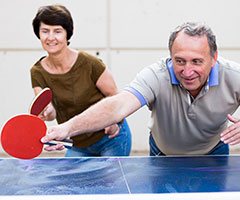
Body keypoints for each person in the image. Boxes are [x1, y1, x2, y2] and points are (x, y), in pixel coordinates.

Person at [42, 21, 240, 156]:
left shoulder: (233, 75)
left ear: (214, 58)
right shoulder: (156, 75)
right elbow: (118, 106)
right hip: (162, 152)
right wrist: (66, 128)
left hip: (214, 151)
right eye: (179, 61)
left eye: (197, 61)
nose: (187, 71)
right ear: (170, 55)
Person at [30, 4, 132, 156]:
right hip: (77, 145)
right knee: (71, 180)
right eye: (45, 31)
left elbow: (115, 96)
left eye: (57, 31)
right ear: (39, 34)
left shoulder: (90, 63)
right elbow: (49, 113)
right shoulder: (37, 72)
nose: (50, 37)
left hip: (111, 138)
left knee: (112, 181)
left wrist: (114, 122)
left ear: (67, 34)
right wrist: (48, 111)